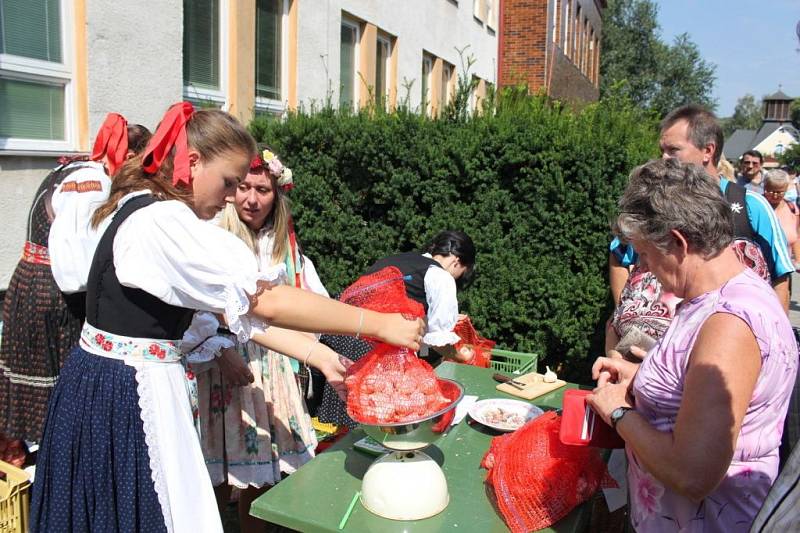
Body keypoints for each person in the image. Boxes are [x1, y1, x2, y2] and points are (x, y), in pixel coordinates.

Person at [29, 102, 424, 533]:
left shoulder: (143, 206)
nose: (233, 197)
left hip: (102, 383)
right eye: (230, 182)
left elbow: (226, 317)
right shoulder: (163, 223)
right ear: (194, 163)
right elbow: (263, 301)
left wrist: (319, 355)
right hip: (129, 393)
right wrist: (377, 323)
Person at [589, 158, 798, 532]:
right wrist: (640, 376)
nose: (646, 268)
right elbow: (699, 387)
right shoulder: (720, 294)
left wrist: (619, 412)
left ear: (680, 243)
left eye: (648, 254)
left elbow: (693, 473)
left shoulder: (729, 325)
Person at [183, 147, 331, 532]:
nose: (252, 199)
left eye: (263, 189)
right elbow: (195, 305)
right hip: (217, 364)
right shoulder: (212, 233)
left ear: (276, 195)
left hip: (272, 366)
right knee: (211, 465)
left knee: (260, 468)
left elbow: (313, 300)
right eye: (244, 187)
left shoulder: (285, 246)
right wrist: (221, 350)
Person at [0, 113, 150, 443]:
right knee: (58, 410)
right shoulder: (91, 184)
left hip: (38, 288)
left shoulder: (75, 169)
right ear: (127, 157)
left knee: (54, 409)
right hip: (52, 299)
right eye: (143, 166)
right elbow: (76, 275)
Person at [608, 105, 793, 344]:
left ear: (708, 150)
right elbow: (619, 254)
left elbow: (780, 278)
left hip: (725, 351)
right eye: (661, 150)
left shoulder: (750, 206)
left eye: (673, 150)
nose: (663, 158)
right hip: (648, 356)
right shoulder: (652, 203)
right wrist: (624, 316)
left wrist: (773, 342)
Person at [316, 230, 476, 428]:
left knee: (353, 413)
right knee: (379, 416)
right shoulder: (441, 278)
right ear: (458, 262)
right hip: (373, 347)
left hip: (345, 331)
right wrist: (460, 356)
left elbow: (421, 330)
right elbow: (439, 339)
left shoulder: (404, 259)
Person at [763, 169, 800, 266]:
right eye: (770, 191)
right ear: (764, 187)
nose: (775, 195)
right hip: (761, 266)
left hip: (784, 266)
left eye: (779, 192)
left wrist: (798, 260)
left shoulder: (792, 208)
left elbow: (796, 237)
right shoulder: (757, 205)